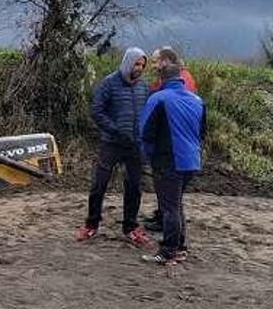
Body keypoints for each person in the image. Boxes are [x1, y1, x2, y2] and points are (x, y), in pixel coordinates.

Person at [76, 47, 152, 247]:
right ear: (128, 62)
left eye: (142, 65)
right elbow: (96, 110)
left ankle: (130, 227)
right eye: (137, 64)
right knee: (99, 184)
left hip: (135, 145)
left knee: (134, 187)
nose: (140, 68)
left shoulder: (144, 87)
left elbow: (147, 114)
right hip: (111, 143)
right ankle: (91, 224)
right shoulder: (109, 84)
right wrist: (115, 129)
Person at [137, 64, 206, 265]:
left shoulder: (158, 98)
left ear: (162, 79)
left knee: (169, 207)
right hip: (191, 161)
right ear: (181, 78)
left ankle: (168, 251)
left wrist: (150, 156)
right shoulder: (197, 100)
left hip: (168, 160)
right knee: (176, 204)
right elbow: (201, 132)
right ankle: (180, 247)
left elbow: (145, 131)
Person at [144, 46, 197, 232]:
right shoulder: (176, 81)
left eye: (154, 61)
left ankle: (170, 242)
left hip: (171, 149)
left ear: (165, 61)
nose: (151, 66)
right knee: (171, 197)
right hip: (182, 149)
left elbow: (153, 123)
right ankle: (167, 225)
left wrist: (150, 149)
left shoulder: (181, 82)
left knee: (172, 198)